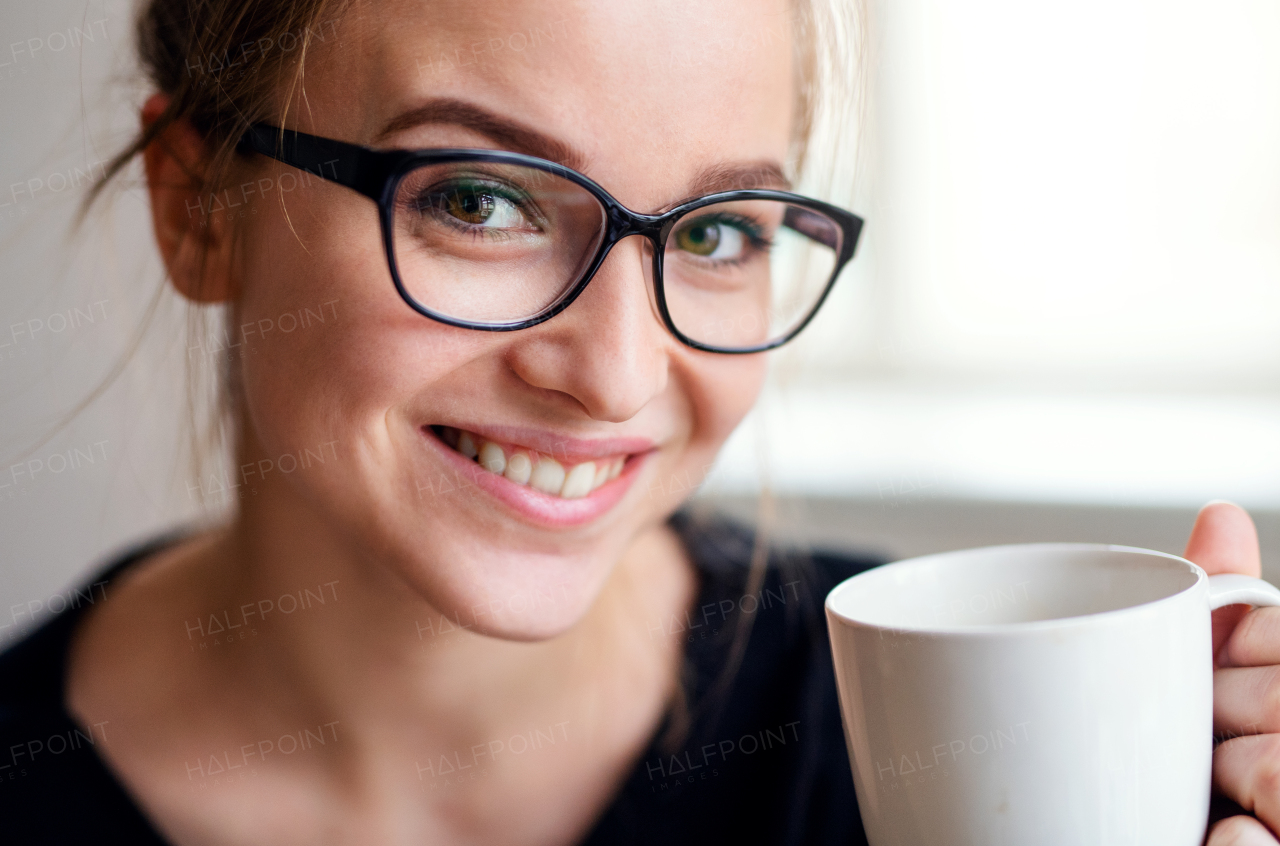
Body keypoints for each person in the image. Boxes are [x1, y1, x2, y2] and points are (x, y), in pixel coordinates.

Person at [0, 1, 1276, 844]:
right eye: (481, 199)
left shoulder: (932, 743)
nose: (614, 376)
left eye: (716, 234)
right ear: (196, 209)